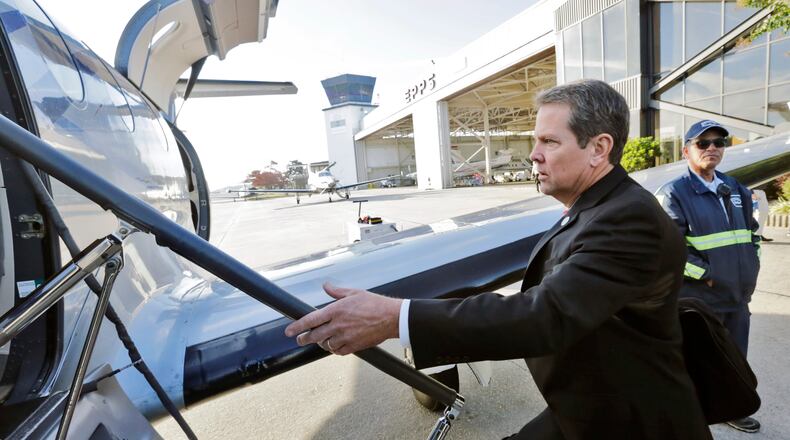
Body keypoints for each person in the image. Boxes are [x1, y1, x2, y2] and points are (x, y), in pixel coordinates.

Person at [286, 80, 711, 439]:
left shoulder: (628, 218)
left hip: (633, 421)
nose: (533, 154)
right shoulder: (601, 206)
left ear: (599, 148)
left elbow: (544, 316)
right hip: (591, 404)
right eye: (535, 140)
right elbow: (561, 291)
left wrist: (395, 317)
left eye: (549, 141)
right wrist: (445, 301)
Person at [658, 119, 762, 434]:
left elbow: (752, 234)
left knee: (734, 359)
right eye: (703, 143)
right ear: (686, 150)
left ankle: (731, 407)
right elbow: (669, 251)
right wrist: (709, 275)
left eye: (719, 142)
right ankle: (688, 419)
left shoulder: (736, 189)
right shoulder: (674, 194)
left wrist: (752, 265)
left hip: (737, 296)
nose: (712, 148)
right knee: (696, 360)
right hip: (700, 299)